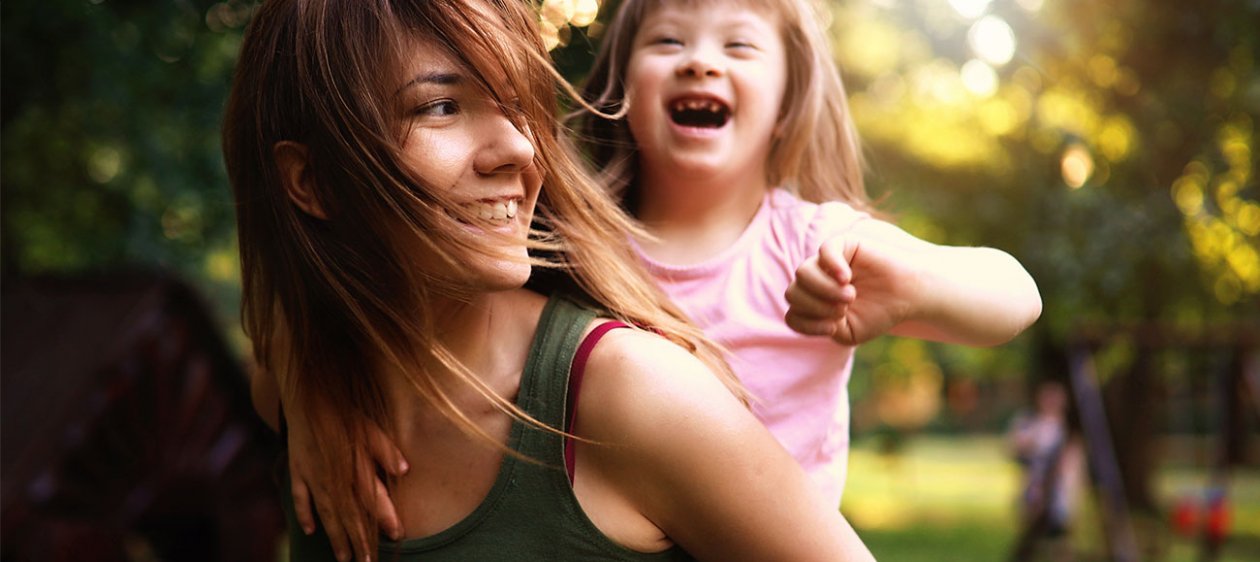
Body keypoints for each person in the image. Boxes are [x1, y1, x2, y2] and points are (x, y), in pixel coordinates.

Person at [225, 0, 876, 561]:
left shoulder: (633, 398)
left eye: (515, 105)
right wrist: (305, 368)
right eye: (442, 106)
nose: (520, 148)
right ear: (310, 183)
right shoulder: (299, 386)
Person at [569, 0, 1043, 509]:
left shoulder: (818, 243)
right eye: (668, 41)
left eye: (739, 45)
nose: (700, 62)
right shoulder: (576, 245)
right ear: (622, 84)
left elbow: (1018, 294)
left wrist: (911, 286)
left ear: (786, 103)